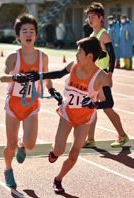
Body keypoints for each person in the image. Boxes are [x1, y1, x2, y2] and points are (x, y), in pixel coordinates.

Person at [26, 36, 114, 194]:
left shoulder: (100, 76)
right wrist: (39, 75)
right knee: (59, 150)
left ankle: (58, 179)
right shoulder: (73, 65)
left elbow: (110, 103)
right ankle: (54, 151)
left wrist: (95, 104)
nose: (76, 55)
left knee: (74, 154)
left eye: (79, 52)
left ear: (90, 57)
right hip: (68, 114)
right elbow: (59, 74)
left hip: (85, 118)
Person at [0, 13, 62, 187]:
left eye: (31, 31)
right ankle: (8, 169)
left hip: (31, 104)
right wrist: (15, 78)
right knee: (9, 144)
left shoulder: (43, 57)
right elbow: (2, 77)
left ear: (36, 34)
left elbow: (47, 77)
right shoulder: (14, 57)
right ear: (18, 36)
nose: (28, 34)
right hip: (14, 104)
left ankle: (22, 144)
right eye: (24, 31)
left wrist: (52, 90)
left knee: (31, 144)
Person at [83, 2, 128, 147]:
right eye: (89, 17)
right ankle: (90, 138)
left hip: (102, 76)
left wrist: (110, 75)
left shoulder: (104, 34)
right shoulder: (92, 34)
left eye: (93, 17)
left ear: (100, 17)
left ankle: (122, 135)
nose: (90, 20)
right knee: (91, 108)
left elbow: (112, 56)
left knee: (107, 108)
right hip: (93, 76)